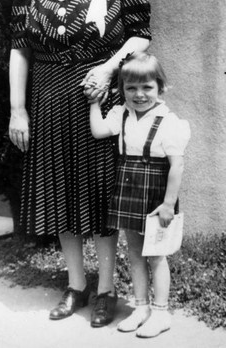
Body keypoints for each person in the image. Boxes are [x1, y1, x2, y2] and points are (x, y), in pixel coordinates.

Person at [8, 0, 151, 327]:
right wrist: (18, 109)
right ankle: (76, 285)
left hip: (96, 95)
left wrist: (109, 70)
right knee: (59, 194)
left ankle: (106, 290)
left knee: (99, 196)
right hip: (48, 97)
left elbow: (140, 33)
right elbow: (20, 49)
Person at [89, 51, 190, 337]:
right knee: (134, 252)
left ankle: (161, 313)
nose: (139, 94)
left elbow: (177, 166)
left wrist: (169, 203)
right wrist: (95, 104)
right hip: (129, 188)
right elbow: (98, 131)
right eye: (131, 88)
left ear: (160, 87)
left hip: (156, 194)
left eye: (147, 87)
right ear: (122, 90)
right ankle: (141, 307)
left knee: (156, 254)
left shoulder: (170, 122)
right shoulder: (121, 114)